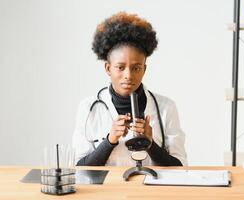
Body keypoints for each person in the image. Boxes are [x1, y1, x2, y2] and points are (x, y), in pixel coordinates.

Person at [72, 12, 187, 166]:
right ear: (108, 68)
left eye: (136, 68)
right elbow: (79, 169)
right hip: (109, 190)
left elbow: (180, 166)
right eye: (120, 67)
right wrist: (109, 141)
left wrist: (150, 144)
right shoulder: (88, 108)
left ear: (144, 69)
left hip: (151, 190)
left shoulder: (166, 107)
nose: (128, 75)